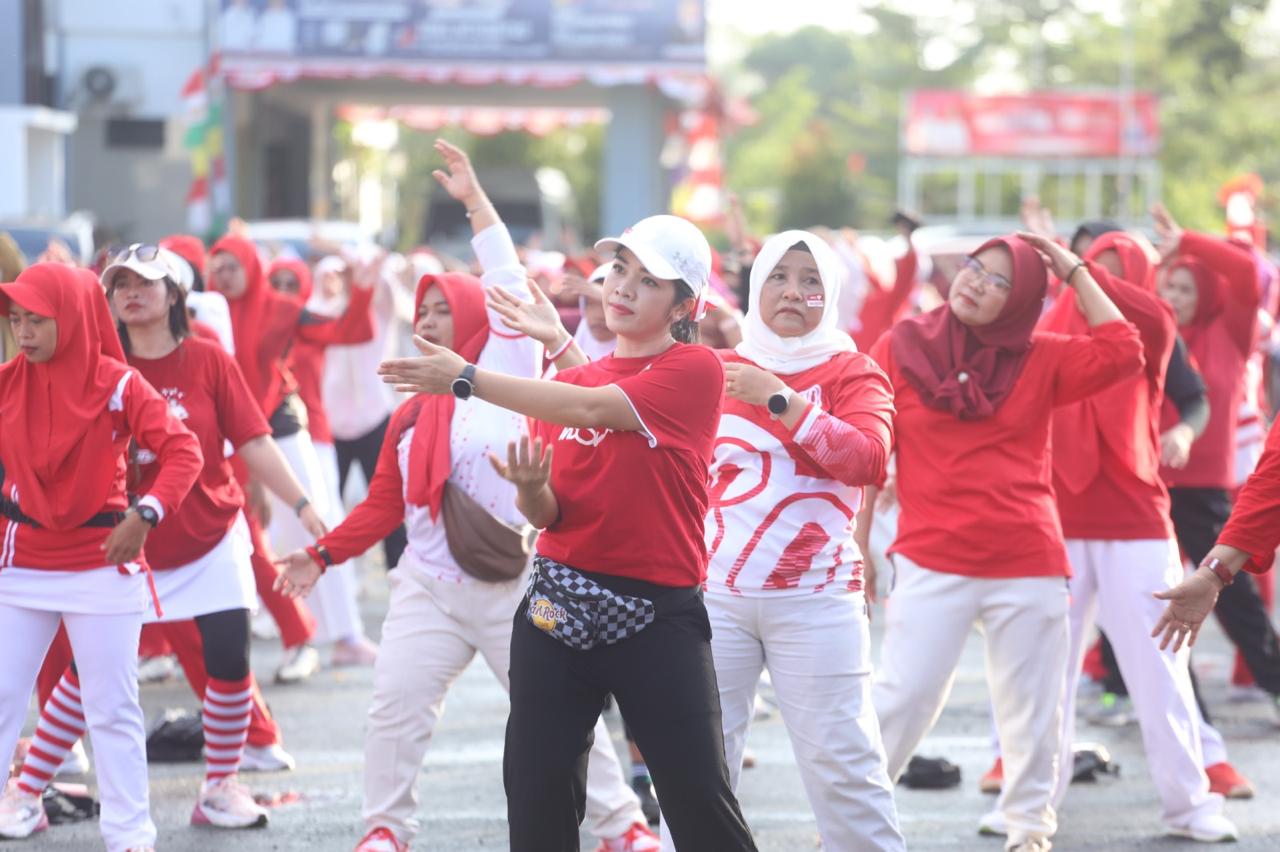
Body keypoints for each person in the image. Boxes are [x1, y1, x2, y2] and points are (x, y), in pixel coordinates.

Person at [275, 139, 657, 852]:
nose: (422, 323)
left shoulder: (508, 363)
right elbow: (385, 507)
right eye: (418, 313)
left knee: (560, 716)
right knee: (394, 709)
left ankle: (622, 827)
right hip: (427, 588)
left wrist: (476, 202)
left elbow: (505, 273)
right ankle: (385, 830)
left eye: (437, 312)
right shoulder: (411, 412)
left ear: (473, 318)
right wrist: (319, 557)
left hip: (514, 584)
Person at [377, 207, 758, 851]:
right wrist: (530, 488)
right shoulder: (577, 375)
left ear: (683, 305)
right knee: (536, 798)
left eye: (647, 280)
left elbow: (590, 404)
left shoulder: (698, 371)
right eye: (619, 269)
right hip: (557, 608)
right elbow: (553, 513)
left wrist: (464, 377)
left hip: (657, 617)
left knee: (697, 802)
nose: (622, 287)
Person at [862, 234, 1143, 852]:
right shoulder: (900, 345)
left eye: (997, 281)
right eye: (972, 268)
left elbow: (1124, 351)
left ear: (1023, 303)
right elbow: (869, 436)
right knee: (901, 699)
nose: (975, 283)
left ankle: (1028, 830)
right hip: (931, 556)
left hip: (1028, 560)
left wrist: (1073, 269)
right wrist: (864, 539)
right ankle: (851, 826)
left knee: (1032, 712)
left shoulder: (1042, 354)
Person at [688, 229, 904, 849]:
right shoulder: (717, 369)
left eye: (811, 280)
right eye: (779, 276)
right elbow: (623, 405)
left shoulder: (853, 371)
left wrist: (781, 399)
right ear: (757, 287)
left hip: (817, 599)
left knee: (844, 768)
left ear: (830, 294)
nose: (793, 291)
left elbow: (866, 460)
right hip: (713, 599)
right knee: (699, 768)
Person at [1038, 231, 1237, 842]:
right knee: (1043, 671)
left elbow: (1156, 329)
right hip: (1058, 518)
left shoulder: (1150, 325)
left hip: (1136, 516)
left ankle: (1191, 806)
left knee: (1161, 668)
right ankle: (1029, 805)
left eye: (1115, 273)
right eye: (1096, 272)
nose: (1095, 286)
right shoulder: (1046, 330)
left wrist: (1077, 271)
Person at [0, 263, 202, 850]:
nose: (24, 331)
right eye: (16, 320)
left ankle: (130, 836)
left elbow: (183, 451)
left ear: (73, 316)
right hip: (23, 563)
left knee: (112, 707)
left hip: (101, 560)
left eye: (37, 319)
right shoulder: (6, 380)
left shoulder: (118, 383)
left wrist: (149, 514)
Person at [207, 234, 378, 672]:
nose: (224, 277)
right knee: (249, 543)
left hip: (278, 432)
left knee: (316, 526)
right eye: (217, 268)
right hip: (227, 440)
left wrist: (360, 290)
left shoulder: (279, 308)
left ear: (249, 265)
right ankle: (300, 634)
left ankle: (345, 636)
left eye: (232, 267)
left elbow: (348, 332)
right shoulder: (204, 312)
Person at [1154, 204, 1280, 719]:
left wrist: (1187, 239)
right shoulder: (1155, 333)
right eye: (1169, 288)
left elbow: (1246, 273)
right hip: (1147, 486)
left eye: (1186, 288)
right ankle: (1182, 709)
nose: (1174, 299)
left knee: (1233, 598)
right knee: (1153, 592)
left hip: (1205, 485)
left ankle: (1272, 681)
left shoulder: (1231, 330)